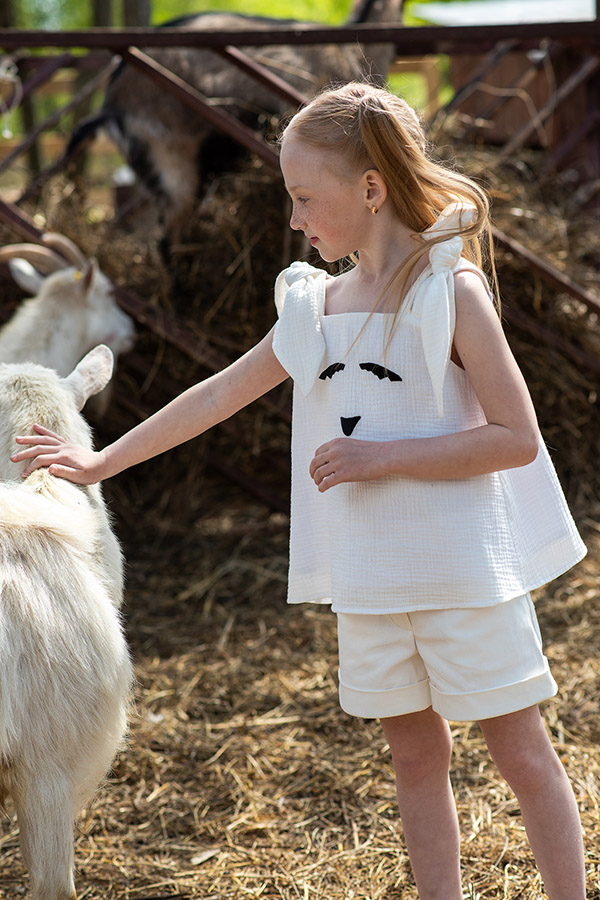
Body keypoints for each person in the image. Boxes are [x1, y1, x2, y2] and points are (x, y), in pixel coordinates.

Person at [12, 82, 587, 899]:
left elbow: (516, 438)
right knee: (416, 758)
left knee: (521, 752)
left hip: (466, 578)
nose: (293, 218)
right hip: (373, 583)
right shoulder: (314, 306)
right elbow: (215, 395)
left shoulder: (448, 294)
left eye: (304, 196)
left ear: (371, 189)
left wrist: (380, 458)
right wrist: (102, 463)